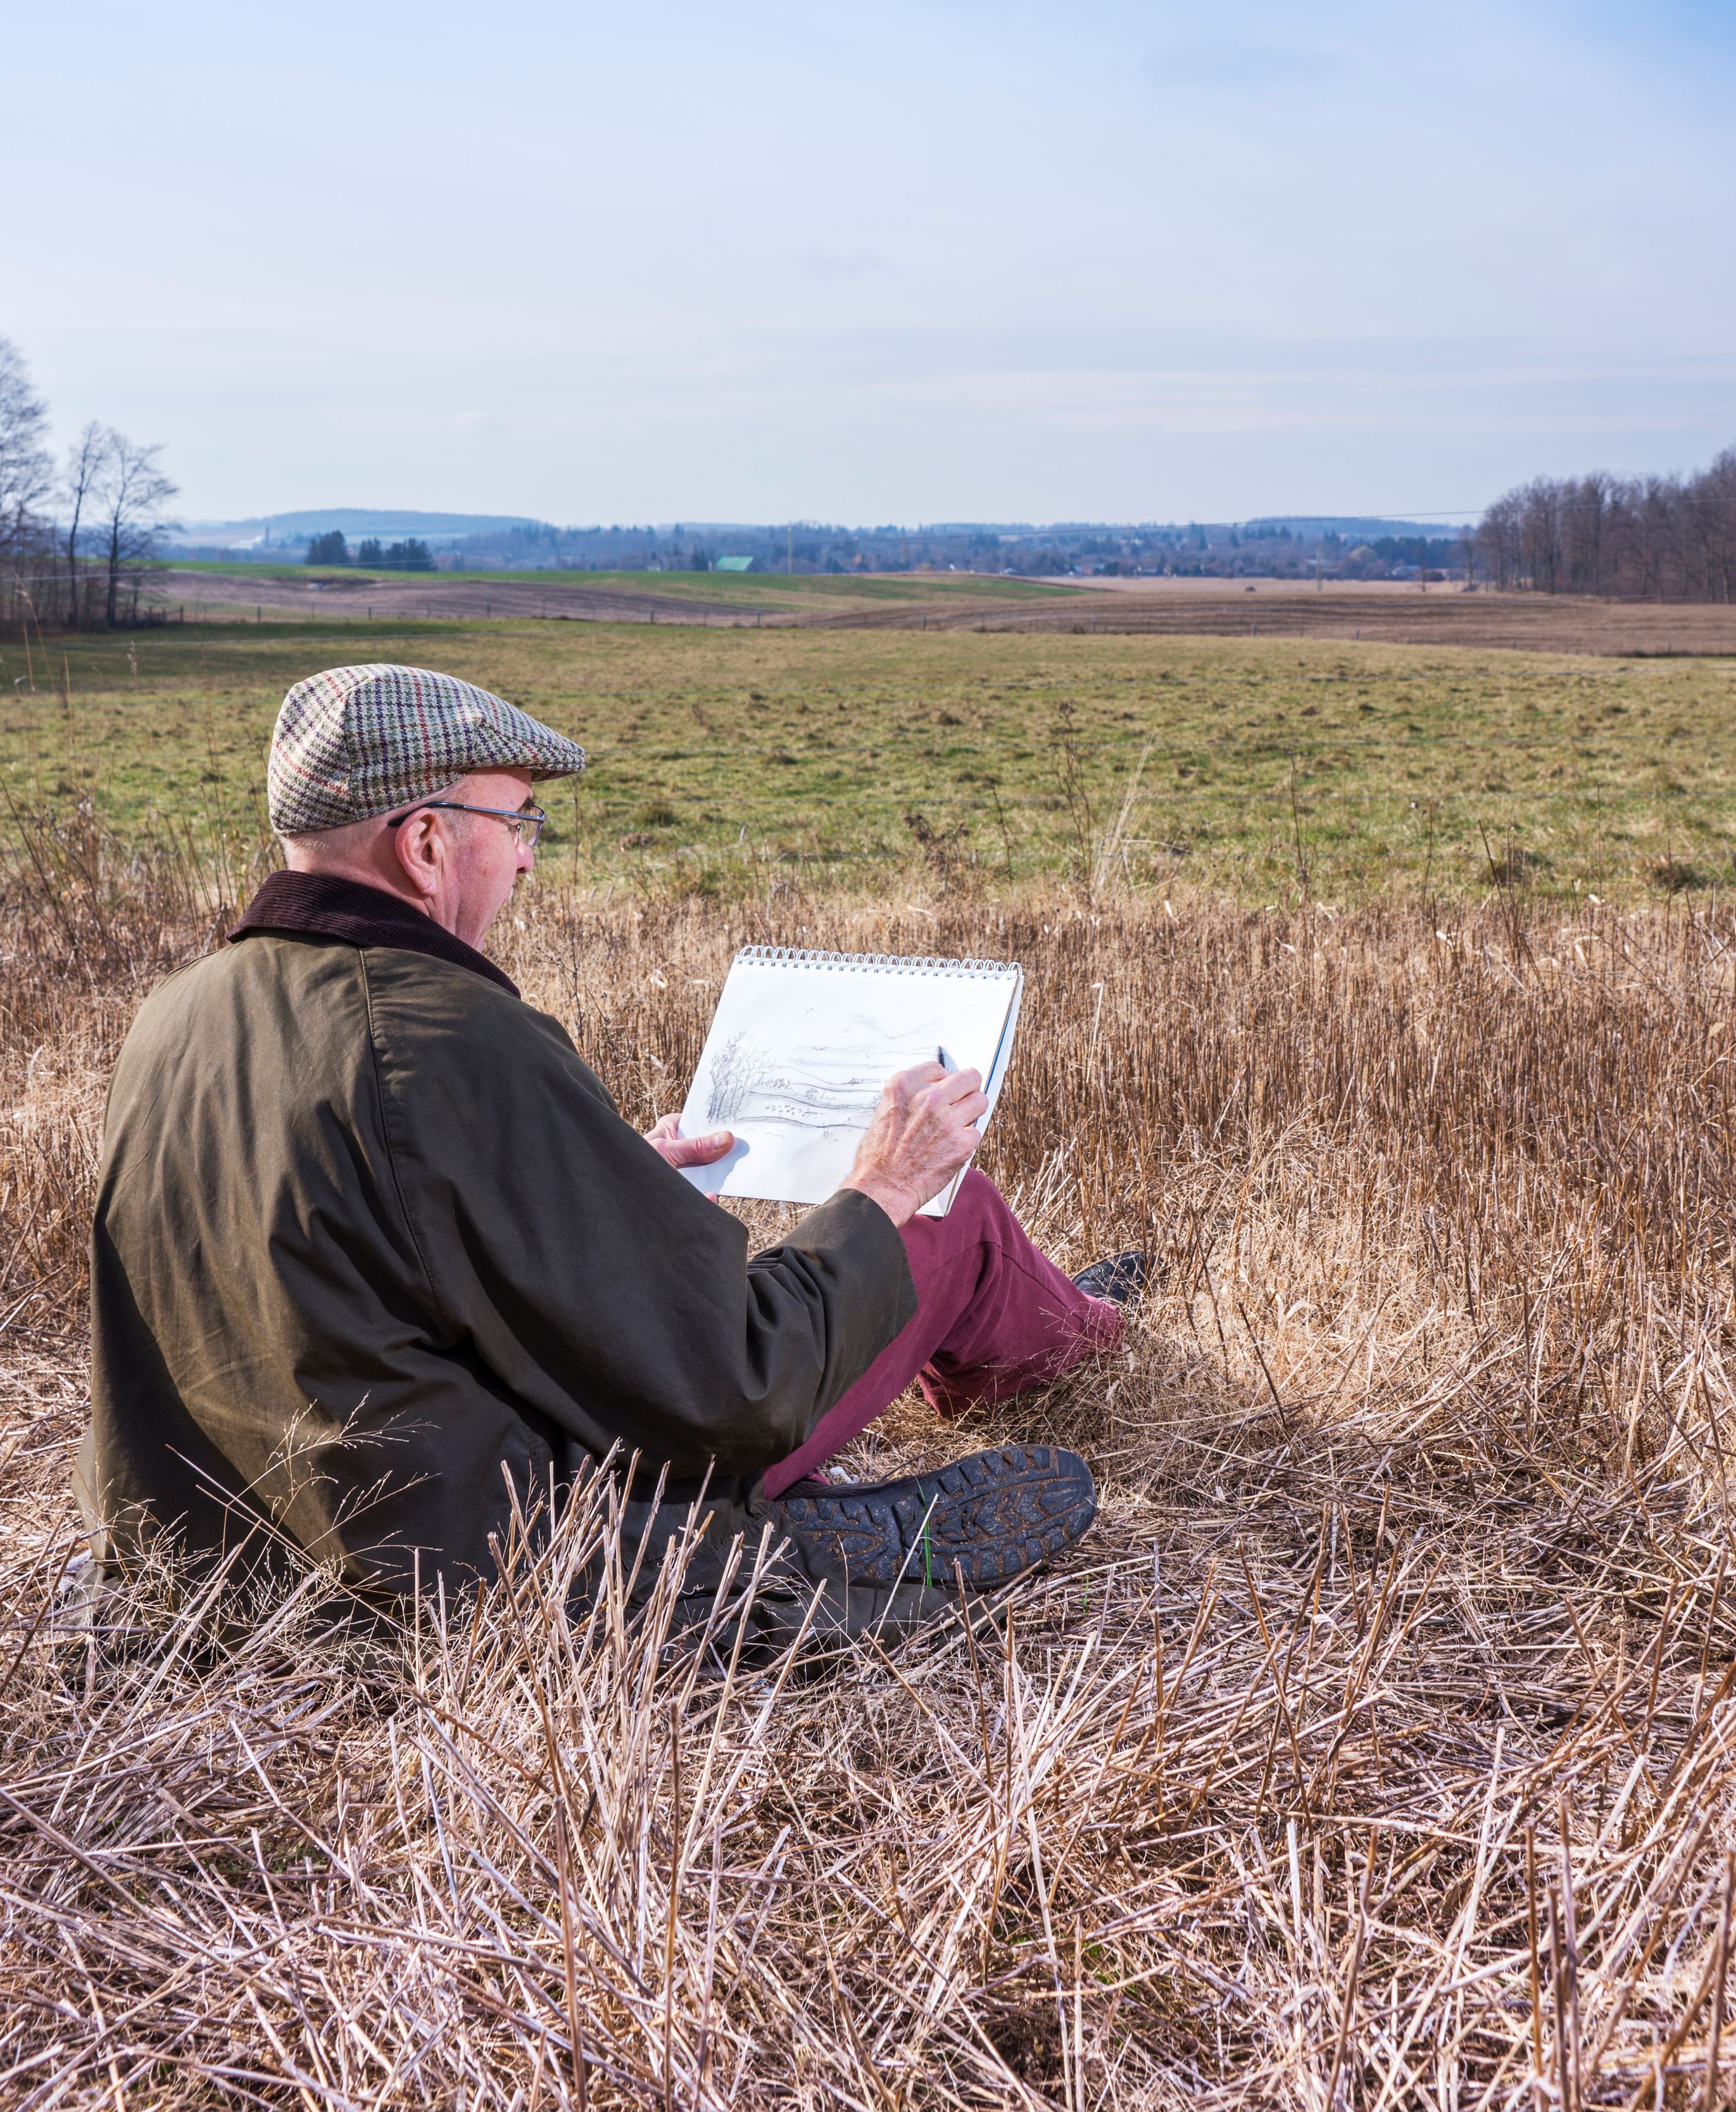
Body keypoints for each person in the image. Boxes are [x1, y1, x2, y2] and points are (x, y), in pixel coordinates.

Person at [76, 664, 1140, 1638]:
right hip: (492, 1559)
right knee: (951, 1224)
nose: (530, 851)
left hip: (238, 1553)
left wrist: (595, 1187)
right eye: (518, 817)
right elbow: (729, 1387)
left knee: (929, 1235)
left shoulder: (177, 1014)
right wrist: (886, 1182)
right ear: (427, 843)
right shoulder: (444, 1034)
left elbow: (362, 1240)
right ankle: (1066, 1348)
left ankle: (1058, 1317)